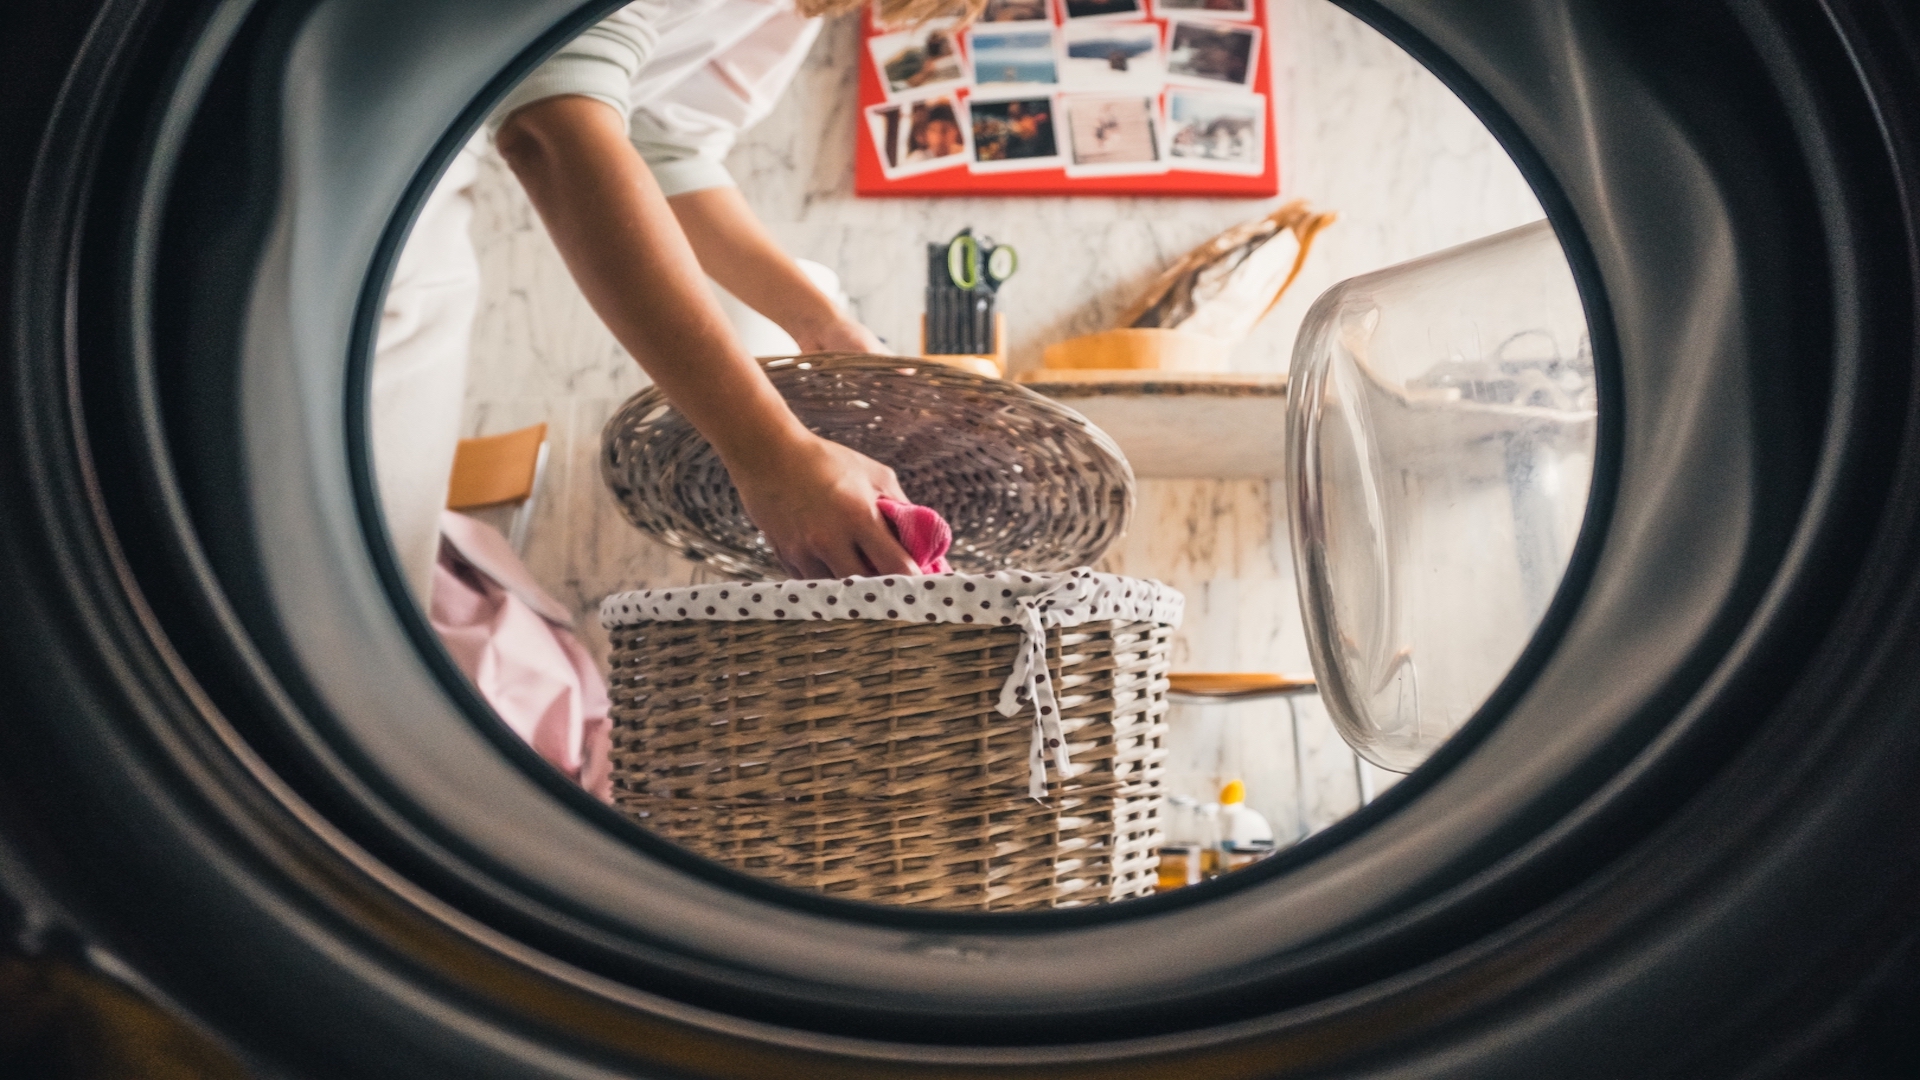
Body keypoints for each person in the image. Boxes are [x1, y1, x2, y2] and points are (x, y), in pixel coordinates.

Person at [374, 0, 987, 606]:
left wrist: (828, 328)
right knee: (359, 562)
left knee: (382, 563)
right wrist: (769, 453)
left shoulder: (792, 12)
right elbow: (555, 115)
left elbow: (668, 147)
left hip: (405, 163)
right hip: (367, 139)